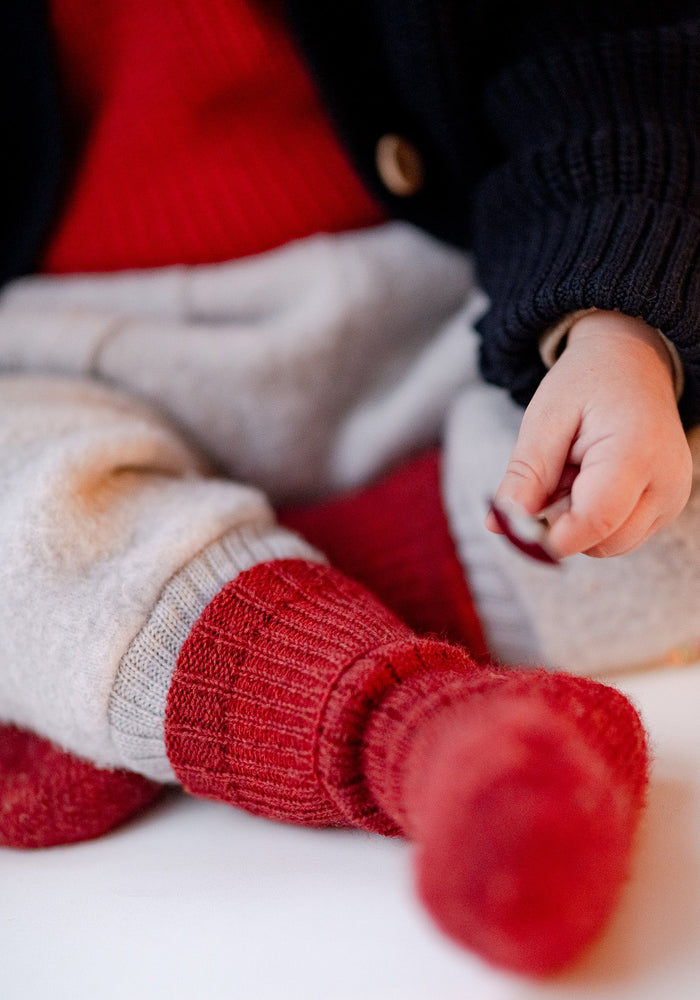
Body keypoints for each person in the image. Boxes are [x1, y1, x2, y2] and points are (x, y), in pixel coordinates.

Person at [1, 0, 697, 975]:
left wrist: (614, 324)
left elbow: (602, 54)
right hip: (65, 360)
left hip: (437, 311)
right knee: (13, 515)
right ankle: (428, 735)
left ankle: (156, 652)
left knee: (660, 449)